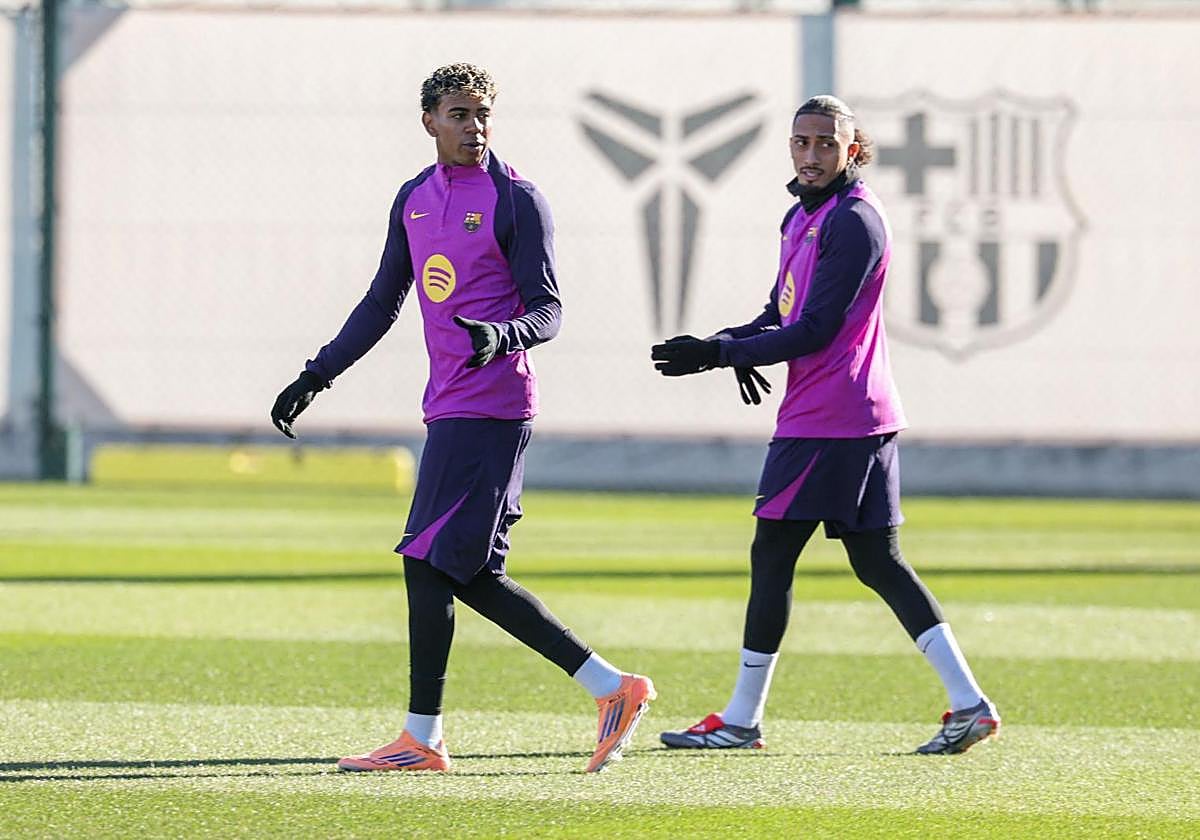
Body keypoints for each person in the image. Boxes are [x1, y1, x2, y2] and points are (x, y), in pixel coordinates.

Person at [270, 63, 654, 774]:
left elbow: (549, 311)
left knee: (425, 561)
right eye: (459, 114)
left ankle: (424, 738)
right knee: (464, 572)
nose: (474, 127)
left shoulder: (517, 200)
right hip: (448, 407)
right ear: (429, 121)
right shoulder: (414, 199)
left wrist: (501, 335)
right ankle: (611, 687)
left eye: (482, 114)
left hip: (494, 407)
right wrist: (316, 373)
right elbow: (384, 301)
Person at [650, 95, 999, 755]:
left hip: (828, 419)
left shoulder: (855, 222)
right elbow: (781, 313)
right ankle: (969, 703)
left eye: (825, 144)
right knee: (877, 561)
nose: (811, 155)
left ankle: (743, 718)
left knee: (773, 555)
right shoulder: (803, 217)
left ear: (854, 151)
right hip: (854, 417)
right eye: (801, 142)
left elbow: (815, 330)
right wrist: (722, 343)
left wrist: (721, 354)